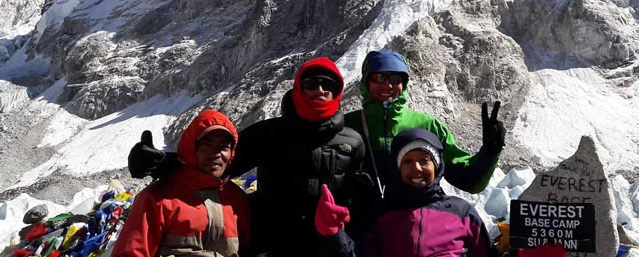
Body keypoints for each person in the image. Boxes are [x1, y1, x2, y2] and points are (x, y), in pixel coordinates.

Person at [128, 57, 366, 256]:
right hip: (272, 241)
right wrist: (163, 163)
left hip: (326, 243)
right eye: (312, 83)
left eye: (329, 85)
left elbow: (356, 193)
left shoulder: (352, 141)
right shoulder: (268, 133)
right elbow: (219, 163)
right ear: (297, 87)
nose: (320, 90)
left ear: (338, 92)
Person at [345, 50, 505, 197]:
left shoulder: (429, 127)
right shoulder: (346, 125)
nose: (387, 85)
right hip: (359, 224)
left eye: (395, 79)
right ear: (366, 81)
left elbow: (467, 180)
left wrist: (489, 153)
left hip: (414, 223)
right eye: (379, 77)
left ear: (404, 84)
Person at [315, 128, 496, 257]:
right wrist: (334, 233)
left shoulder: (462, 212)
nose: (416, 168)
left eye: (425, 160)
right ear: (397, 168)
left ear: (438, 165)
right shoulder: (382, 213)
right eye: (407, 161)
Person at [111, 108, 250, 257]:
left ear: (231, 153)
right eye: (207, 145)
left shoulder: (236, 201)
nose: (215, 154)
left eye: (223, 147)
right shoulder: (157, 199)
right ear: (192, 148)